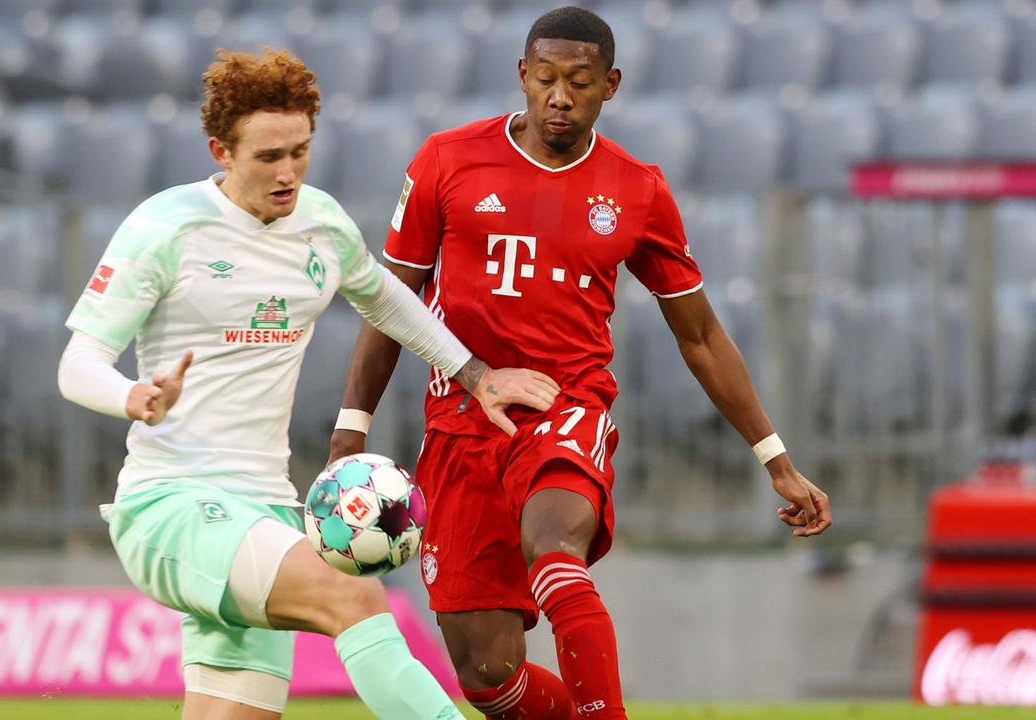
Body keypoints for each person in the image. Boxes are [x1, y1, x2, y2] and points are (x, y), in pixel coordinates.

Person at [327, 7, 834, 720]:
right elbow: (391, 302)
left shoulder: (637, 189)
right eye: (545, 78)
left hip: (564, 409)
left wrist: (774, 456)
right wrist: (349, 432)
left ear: (610, 85)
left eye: (579, 81)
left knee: (554, 546)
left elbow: (699, 335)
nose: (559, 96)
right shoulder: (447, 159)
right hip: (460, 424)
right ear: (522, 75)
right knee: (488, 676)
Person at [57, 48, 558, 720]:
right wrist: (133, 397)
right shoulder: (165, 229)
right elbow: (77, 362)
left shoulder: (320, 223)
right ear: (221, 152)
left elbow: (385, 297)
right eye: (268, 157)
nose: (288, 172)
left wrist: (475, 375)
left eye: (300, 151)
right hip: (172, 506)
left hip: (267, 511)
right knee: (353, 593)